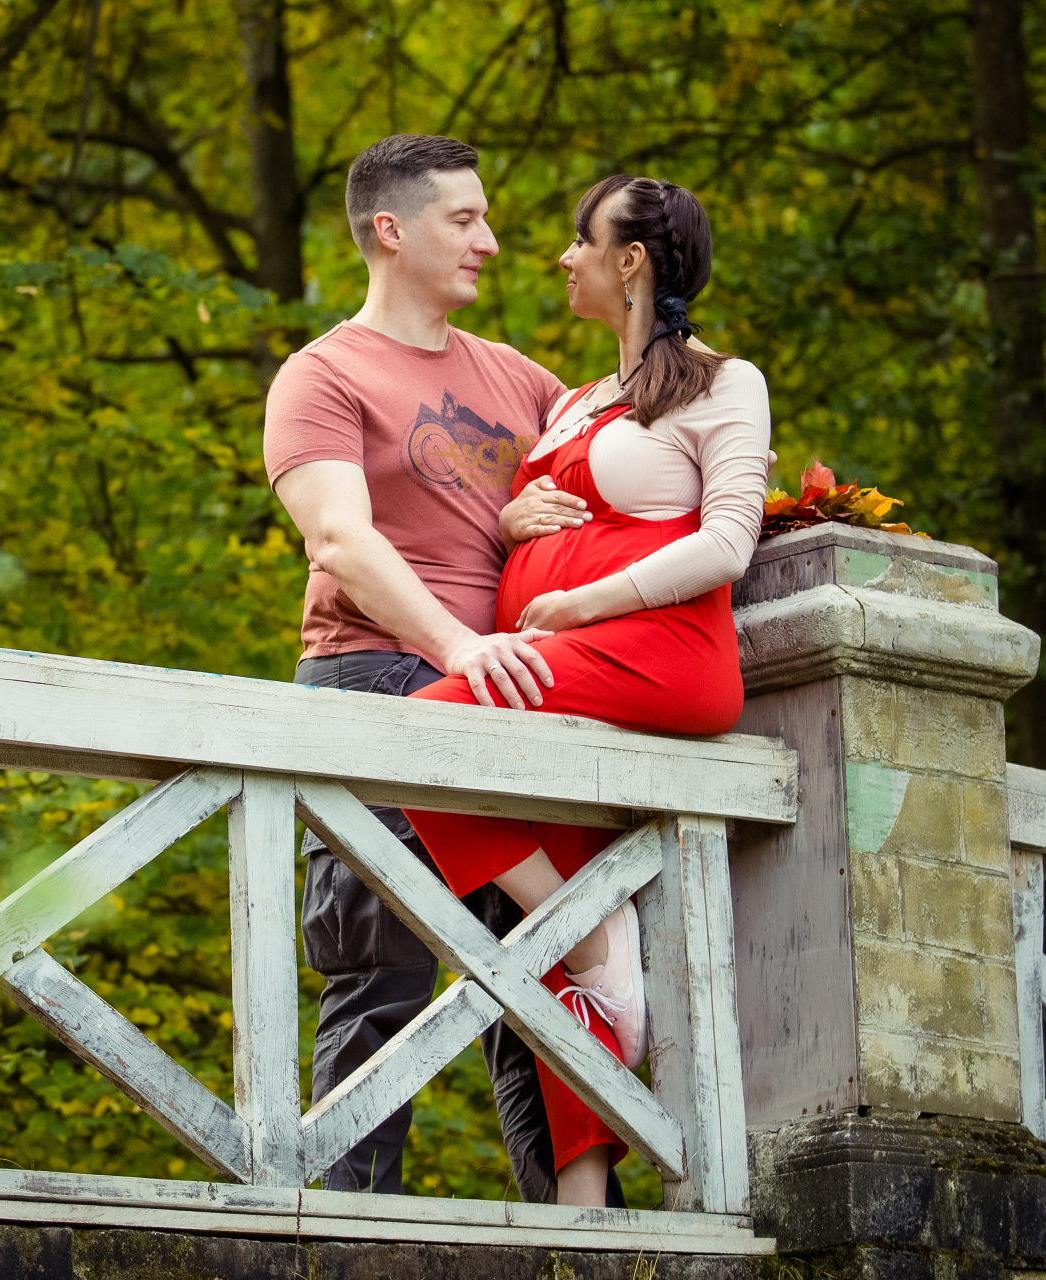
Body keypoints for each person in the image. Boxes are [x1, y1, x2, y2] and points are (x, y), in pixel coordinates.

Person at [262, 134, 620, 1203]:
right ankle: (345, 1233)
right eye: (464, 219)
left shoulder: (521, 378)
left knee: (540, 971)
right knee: (381, 972)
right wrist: (456, 646)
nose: (490, 240)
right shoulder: (323, 374)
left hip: (516, 698)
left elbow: (632, 466)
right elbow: (341, 541)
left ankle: (578, 1240)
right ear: (391, 229)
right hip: (376, 682)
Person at [403, 174, 773, 1206]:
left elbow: (728, 542)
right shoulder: (573, 400)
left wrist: (581, 603)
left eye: (582, 240)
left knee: (426, 733)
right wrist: (512, 524)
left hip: (659, 655)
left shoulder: (723, 383)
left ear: (632, 261)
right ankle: (585, 1207)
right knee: (559, 955)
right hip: (569, 676)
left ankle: (590, 925)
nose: (563, 258)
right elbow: (539, 515)